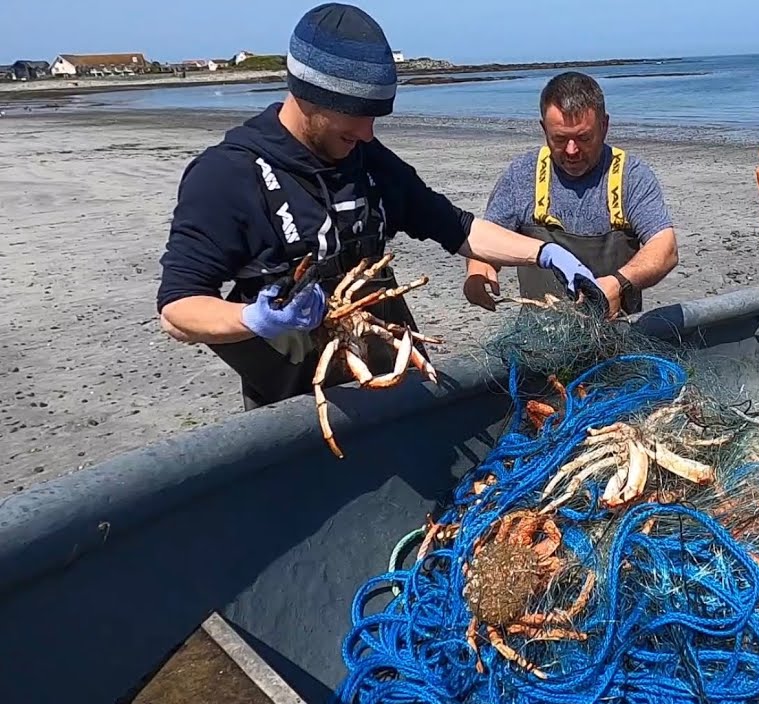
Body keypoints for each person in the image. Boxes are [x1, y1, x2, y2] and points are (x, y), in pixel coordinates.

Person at [156, 3, 598, 410]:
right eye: (355, 117)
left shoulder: (367, 159)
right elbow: (178, 310)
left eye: (375, 117)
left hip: (392, 388)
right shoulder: (227, 176)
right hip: (296, 410)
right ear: (309, 96)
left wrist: (542, 253)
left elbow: (457, 228)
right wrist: (255, 318)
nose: (368, 133)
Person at [463, 71, 678, 317]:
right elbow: (488, 239)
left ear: (604, 126)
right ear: (544, 129)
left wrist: (619, 283)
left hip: (616, 334)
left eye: (584, 137)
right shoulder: (521, 175)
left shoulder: (631, 175)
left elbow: (665, 247)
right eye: (560, 139)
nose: (572, 150)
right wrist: (478, 268)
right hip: (540, 337)